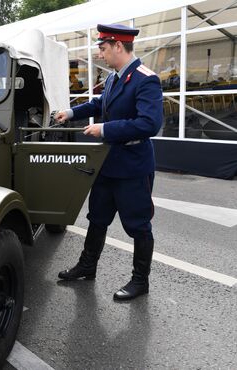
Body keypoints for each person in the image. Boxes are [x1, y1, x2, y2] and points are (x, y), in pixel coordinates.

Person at [54, 24, 163, 301]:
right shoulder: (115, 78)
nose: (100, 54)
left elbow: (149, 123)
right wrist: (70, 112)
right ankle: (87, 266)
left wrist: (105, 129)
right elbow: (99, 103)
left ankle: (141, 281)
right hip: (108, 162)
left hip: (133, 166)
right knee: (97, 218)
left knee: (138, 225)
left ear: (118, 45)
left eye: (103, 48)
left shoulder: (145, 79)